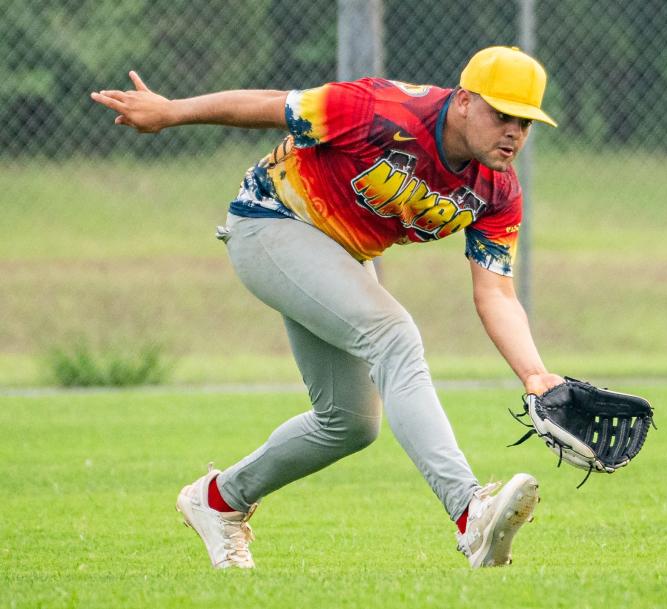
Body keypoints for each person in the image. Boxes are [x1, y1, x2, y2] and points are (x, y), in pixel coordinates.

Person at [90, 46, 564, 569]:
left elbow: (495, 292)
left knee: (350, 422)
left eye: (525, 121)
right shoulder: (380, 109)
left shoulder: (498, 190)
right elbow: (273, 105)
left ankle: (218, 500)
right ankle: (470, 513)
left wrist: (535, 374)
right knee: (393, 336)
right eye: (503, 115)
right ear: (466, 101)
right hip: (270, 222)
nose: (514, 133)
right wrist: (173, 111)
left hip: (340, 254)